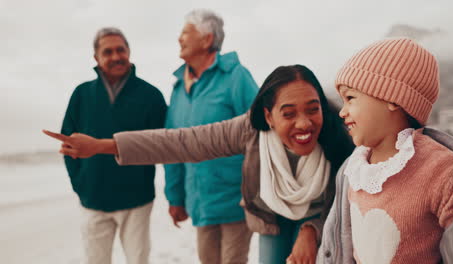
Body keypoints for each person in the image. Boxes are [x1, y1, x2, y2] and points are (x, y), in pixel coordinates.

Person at [43, 64, 354, 264]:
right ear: (268, 116)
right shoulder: (249, 129)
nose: (304, 124)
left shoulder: (338, 136)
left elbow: (344, 197)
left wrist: (311, 230)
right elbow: (181, 142)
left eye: (312, 109)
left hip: (322, 214)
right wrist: (102, 145)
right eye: (288, 114)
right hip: (269, 215)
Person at [316, 38, 453, 263]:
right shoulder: (354, 169)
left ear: (392, 99)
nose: (342, 111)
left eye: (350, 98)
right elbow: (337, 243)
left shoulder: (441, 169)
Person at [59, 27, 167, 264]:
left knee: (138, 260)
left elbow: (167, 146)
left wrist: (175, 194)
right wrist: (80, 185)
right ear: (96, 58)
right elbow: (67, 145)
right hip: (93, 201)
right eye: (108, 52)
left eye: (121, 49)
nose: (116, 56)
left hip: (137, 200)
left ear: (129, 51)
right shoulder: (81, 95)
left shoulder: (151, 96)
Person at [164, 9, 258, 264]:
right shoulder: (178, 89)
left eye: (186, 32)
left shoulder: (236, 77)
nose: (179, 39)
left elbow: (262, 133)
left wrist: (256, 191)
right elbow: (172, 146)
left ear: (207, 39)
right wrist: (175, 197)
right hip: (200, 203)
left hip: (235, 200)